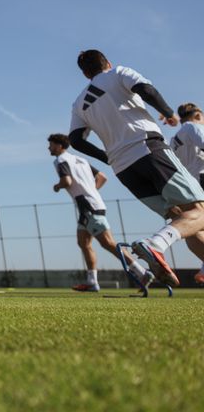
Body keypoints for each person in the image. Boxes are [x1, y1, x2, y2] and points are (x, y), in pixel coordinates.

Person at [68, 50, 204, 286]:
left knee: (181, 219)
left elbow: (76, 139)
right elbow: (146, 89)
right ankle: (155, 245)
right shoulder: (119, 72)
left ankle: (157, 248)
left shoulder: (80, 103)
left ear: (85, 73)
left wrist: (106, 156)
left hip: (124, 169)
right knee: (200, 211)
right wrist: (169, 113)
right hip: (148, 150)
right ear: (107, 62)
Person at [48, 133, 151, 292]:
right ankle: (92, 282)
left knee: (108, 243)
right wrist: (92, 191)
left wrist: (57, 186)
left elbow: (66, 181)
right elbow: (102, 177)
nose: (49, 147)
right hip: (89, 205)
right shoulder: (80, 159)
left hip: (88, 206)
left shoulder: (61, 160)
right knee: (83, 242)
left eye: (52, 144)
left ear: (60, 146)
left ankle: (142, 272)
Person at [171, 103, 204, 284]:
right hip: (201, 177)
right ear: (198, 115)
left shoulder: (174, 138)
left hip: (188, 185)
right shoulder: (194, 127)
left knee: (193, 229)